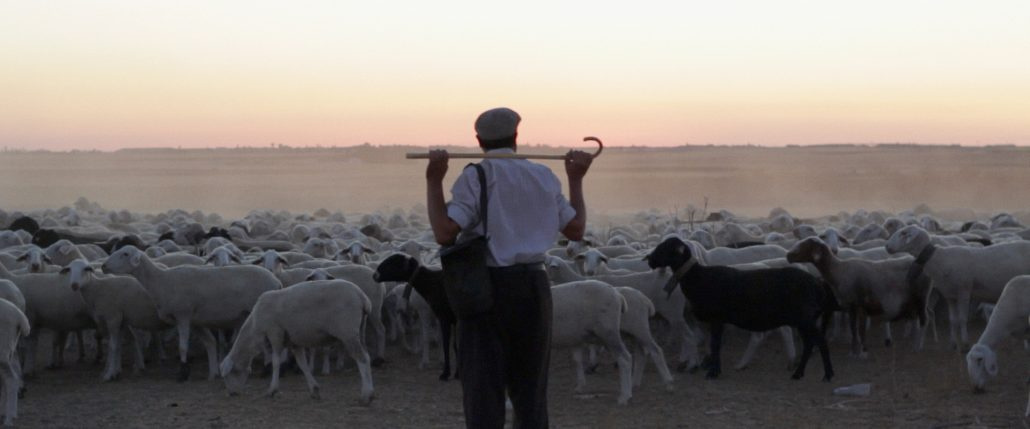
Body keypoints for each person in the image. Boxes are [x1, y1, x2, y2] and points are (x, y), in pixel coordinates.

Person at [425, 107, 593, 428]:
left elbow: (445, 232)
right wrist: (576, 180)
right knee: (531, 393)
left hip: (488, 293)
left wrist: (434, 181)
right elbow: (576, 229)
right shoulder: (544, 176)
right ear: (517, 138)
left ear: (478, 141)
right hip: (535, 290)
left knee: (483, 393)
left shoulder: (476, 177)